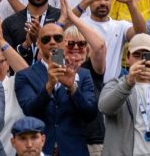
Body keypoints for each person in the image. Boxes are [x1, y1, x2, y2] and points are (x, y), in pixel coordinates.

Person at [14, 21, 99, 155]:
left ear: (64, 42)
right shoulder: (24, 76)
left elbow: (90, 114)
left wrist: (73, 88)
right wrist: (49, 86)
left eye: (57, 38)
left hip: (74, 150)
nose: (52, 42)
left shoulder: (83, 74)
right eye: (46, 39)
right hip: (39, 150)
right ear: (38, 44)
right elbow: (30, 111)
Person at [99, 33, 150, 156]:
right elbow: (105, 108)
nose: (141, 61)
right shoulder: (115, 84)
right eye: (136, 55)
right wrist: (128, 83)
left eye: (146, 56)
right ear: (127, 57)